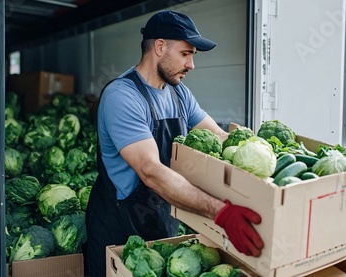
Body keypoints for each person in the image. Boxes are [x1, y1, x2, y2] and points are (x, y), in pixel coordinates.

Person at [85, 10, 264, 276]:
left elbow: (219, 137)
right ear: (159, 47)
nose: (191, 65)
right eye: (185, 54)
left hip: (162, 224)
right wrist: (221, 212)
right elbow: (151, 172)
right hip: (119, 234)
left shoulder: (178, 93)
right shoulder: (122, 97)